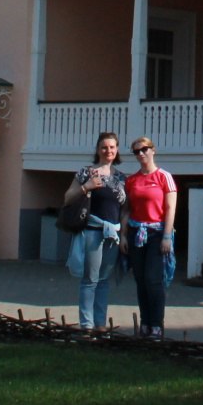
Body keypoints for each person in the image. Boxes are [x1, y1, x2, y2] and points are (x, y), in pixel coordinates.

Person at [64, 132, 126, 330]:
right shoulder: (86, 172)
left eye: (112, 147)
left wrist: (123, 234)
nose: (108, 151)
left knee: (104, 280)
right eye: (104, 147)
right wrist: (87, 187)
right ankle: (87, 326)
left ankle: (100, 324)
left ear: (117, 150)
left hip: (113, 234)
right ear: (98, 150)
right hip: (93, 232)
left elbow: (124, 209)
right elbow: (67, 197)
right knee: (90, 280)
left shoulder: (121, 178)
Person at [123, 136, 177, 339]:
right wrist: (124, 235)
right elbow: (127, 209)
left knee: (153, 279)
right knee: (140, 280)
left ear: (153, 150)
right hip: (137, 233)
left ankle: (156, 324)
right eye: (136, 151)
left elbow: (171, 207)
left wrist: (167, 236)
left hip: (157, 233)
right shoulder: (132, 180)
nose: (141, 154)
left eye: (144, 149)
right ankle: (145, 323)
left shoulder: (164, 177)